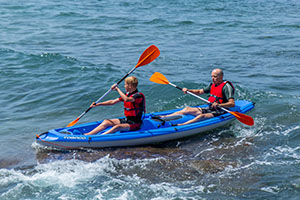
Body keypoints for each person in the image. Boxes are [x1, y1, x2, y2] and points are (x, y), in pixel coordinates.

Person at [162, 68, 235, 126]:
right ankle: (164, 117)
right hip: (211, 108)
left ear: (221, 77)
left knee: (201, 116)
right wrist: (188, 90)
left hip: (221, 110)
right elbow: (200, 92)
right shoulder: (213, 85)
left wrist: (219, 105)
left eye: (215, 77)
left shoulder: (226, 87)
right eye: (212, 76)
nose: (213, 78)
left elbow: (232, 104)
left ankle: (182, 125)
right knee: (187, 109)